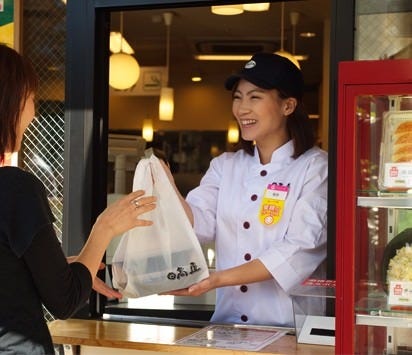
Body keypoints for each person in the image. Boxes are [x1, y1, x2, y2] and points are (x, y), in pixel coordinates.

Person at [0, 43, 156, 354]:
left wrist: (63, 267)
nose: (33, 112)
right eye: (31, 99)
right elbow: (65, 299)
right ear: (10, 102)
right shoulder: (14, 188)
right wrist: (104, 229)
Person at [165, 52, 328, 327]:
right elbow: (198, 225)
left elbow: (298, 250)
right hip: (229, 327)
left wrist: (217, 279)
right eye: (238, 97)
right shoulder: (225, 166)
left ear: (288, 106)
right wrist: (168, 188)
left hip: (291, 330)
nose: (242, 109)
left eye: (255, 97)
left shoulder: (316, 167)